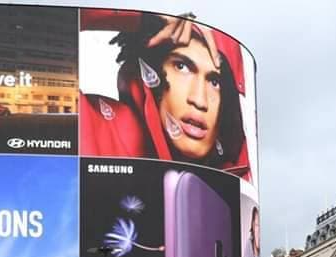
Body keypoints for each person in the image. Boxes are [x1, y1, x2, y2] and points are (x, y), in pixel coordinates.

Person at [80, 11, 252, 180]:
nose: (200, 100)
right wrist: (142, 19)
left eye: (215, 82)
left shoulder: (237, 176)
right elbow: (55, 23)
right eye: (182, 67)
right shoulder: (94, 126)